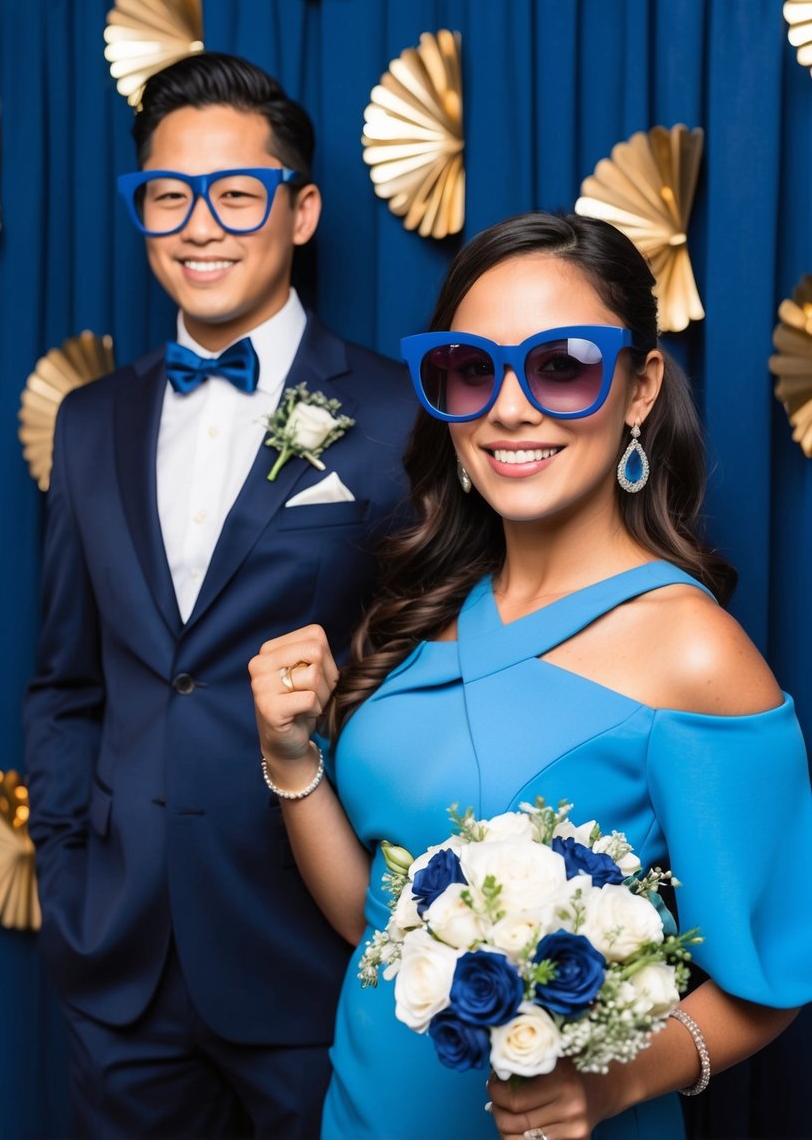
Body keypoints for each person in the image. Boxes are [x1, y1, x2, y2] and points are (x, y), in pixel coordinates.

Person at [251, 211, 812, 1140]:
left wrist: (613, 1086)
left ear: (639, 388)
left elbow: (772, 984)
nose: (510, 406)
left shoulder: (693, 652)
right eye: (472, 369)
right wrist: (289, 758)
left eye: (562, 364)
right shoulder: (428, 608)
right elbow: (376, 929)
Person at [23, 52, 415, 1140]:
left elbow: (423, 679)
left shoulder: (393, 416)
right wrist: (69, 874)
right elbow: (65, 677)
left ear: (301, 211)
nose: (200, 225)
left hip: (306, 943)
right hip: (119, 961)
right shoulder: (91, 419)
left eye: (236, 193)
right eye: (167, 195)